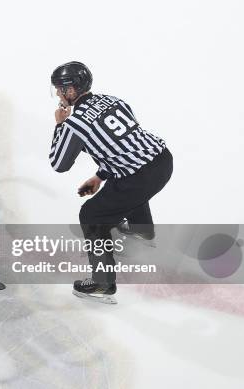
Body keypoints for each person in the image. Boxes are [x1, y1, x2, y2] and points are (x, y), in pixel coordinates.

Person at [49, 61, 173, 304]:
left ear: (71, 90)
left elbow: (59, 164)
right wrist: (101, 176)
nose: (57, 94)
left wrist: (60, 125)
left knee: (91, 215)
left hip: (138, 178)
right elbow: (123, 147)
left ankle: (102, 284)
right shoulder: (113, 100)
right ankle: (142, 231)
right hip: (163, 161)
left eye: (59, 89)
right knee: (127, 179)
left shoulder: (75, 124)